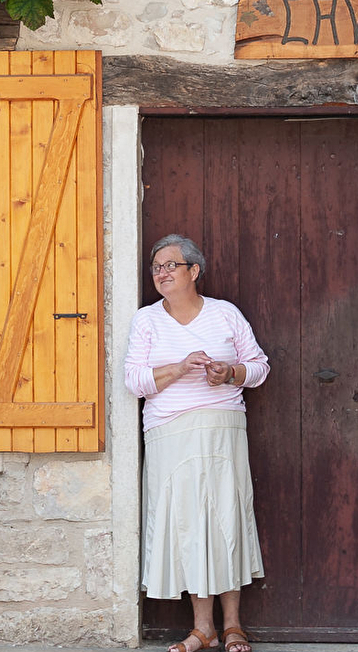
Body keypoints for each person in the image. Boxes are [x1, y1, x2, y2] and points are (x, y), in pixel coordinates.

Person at [124, 234, 270, 652]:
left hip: (222, 428)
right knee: (187, 526)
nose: (161, 273)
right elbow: (134, 380)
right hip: (169, 432)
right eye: (156, 267)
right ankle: (203, 628)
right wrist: (180, 367)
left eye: (170, 265)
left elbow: (259, 367)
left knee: (226, 520)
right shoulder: (147, 320)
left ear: (194, 271)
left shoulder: (225, 313)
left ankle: (234, 626)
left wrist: (230, 373)